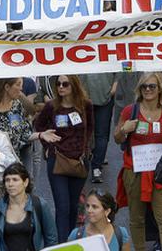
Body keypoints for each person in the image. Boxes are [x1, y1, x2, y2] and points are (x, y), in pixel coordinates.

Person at [115, 74, 162, 251]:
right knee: (137, 218)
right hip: (134, 171)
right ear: (139, 90)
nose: (148, 90)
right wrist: (124, 130)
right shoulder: (130, 111)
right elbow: (117, 138)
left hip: (160, 174)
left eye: (151, 86)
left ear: (159, 89)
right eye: (144, 87)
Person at [33, 75, 94, 241]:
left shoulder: (85, 105)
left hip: (79, 161)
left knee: (74, 206)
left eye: (65, 84)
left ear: (73, 85)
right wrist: (47, 146)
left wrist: (85, 148)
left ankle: (73, 240)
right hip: (57, 160)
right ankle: (63, 244)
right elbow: (39, 126)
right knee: (63, 206)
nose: (60, 87)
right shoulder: (51, 106)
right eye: (58, 84)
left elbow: (90, 129)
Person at [0, 163, 56, 251]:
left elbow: (51, 239)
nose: (10, 184)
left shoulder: (40, 205)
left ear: (25, 182)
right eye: (7, 180)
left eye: (15, 180)